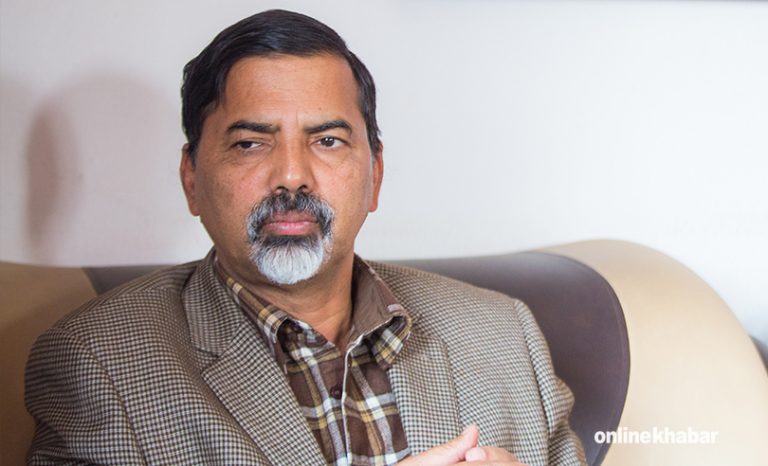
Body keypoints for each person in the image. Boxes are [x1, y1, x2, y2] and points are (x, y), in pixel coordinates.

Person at [25, 9, 586, 466]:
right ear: (191, 179)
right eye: (250, 143)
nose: (292, 175)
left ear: (375, 175)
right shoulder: (98, 365)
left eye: (327, 141)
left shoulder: (504, 335)